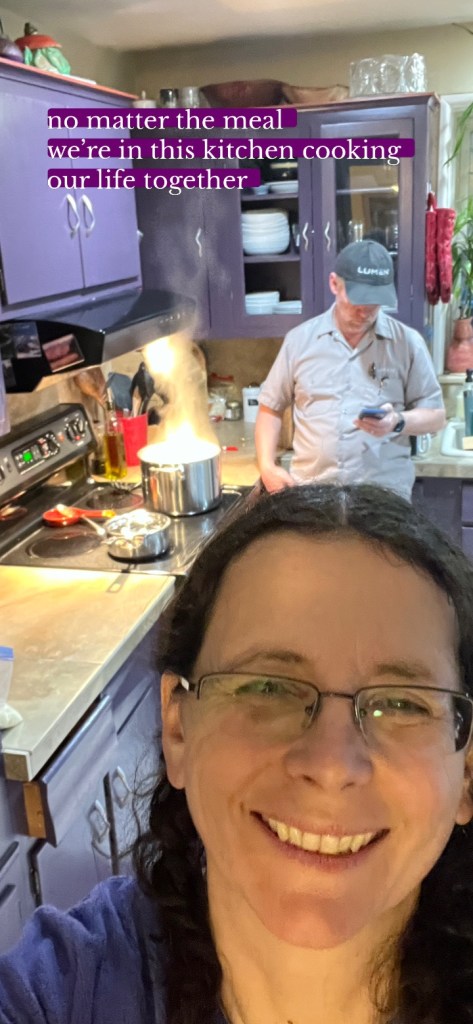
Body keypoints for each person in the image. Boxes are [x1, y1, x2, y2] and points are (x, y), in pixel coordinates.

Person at [1, 483, 473, 1024]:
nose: (331, 765)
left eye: (401, 703)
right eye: (267, 688)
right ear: (177, 727)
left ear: (467, 770)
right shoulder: (62, 994)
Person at [255, 240, 446, 499]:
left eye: (374, 301)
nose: (365, 311)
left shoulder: (408, 343)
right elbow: (270, 408)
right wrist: (267, 466)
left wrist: (398, 421)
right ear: (334, 284)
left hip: (384, 498)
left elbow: (436, 416)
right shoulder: (299, 341)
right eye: (357, 299)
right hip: (313, 495)